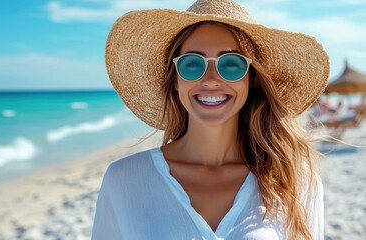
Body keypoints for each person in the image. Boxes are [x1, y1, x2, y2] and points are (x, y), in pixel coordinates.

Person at [92, 0, 329, 239]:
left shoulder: (295, 182)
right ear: (175, 79)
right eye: (193, 64)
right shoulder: (123, 180)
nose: (211, 79)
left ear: (252, 78)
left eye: (232, 64)